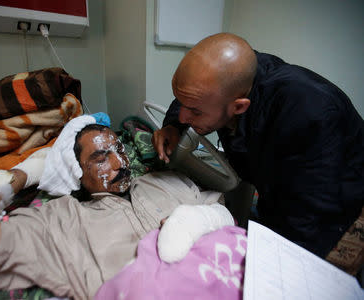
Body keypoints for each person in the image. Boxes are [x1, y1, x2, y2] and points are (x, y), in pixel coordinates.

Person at [0, 115, 234, 299]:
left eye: (118, 149)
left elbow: (227, 214)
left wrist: (195, 220)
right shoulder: (60, 221)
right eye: (99, 158)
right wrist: (18, 177)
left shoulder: (164, 180)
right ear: (76, 173)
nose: (118, 161)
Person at [152, 32, 364, 258]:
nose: (185, 117)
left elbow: (307, 221)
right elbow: (192, 97)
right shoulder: (228, 76)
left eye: (194, 112)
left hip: (334, 195)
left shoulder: (311, 115)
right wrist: (174, 125)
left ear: (239, 106)